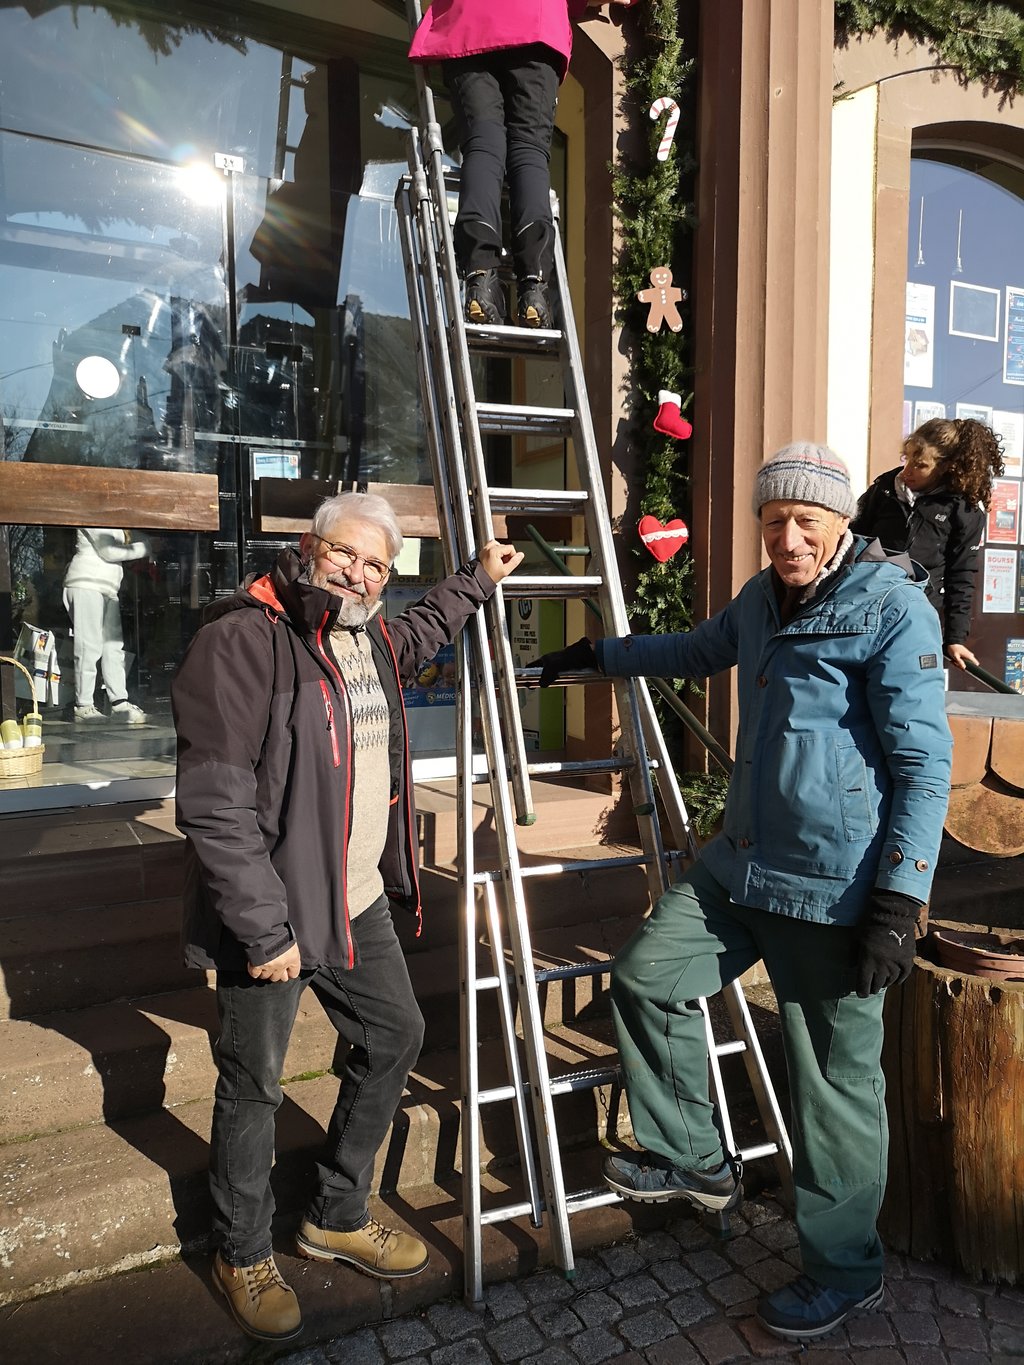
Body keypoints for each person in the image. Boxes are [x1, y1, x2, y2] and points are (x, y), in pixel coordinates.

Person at [532, 443, 953, 1344]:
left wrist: (900, 901)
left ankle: (846, 1270)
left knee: (832, 1089)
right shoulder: (763, 598)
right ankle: (697, 1158)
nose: (787, 538)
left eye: (805, 521)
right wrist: (599, 653)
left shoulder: (892, 608)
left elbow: (925, 767)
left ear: (841, 522)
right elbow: (695, 647)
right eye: (773, 522)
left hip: (837, 888)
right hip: (743, 864)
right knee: (646, 976)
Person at [172, 492, 523, 1344]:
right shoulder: (243, 639)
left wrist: (476, 579)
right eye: (345, 554)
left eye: (377, 565)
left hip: (355, 896)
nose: (359, 574)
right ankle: (241, 1250)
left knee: (395, 1033)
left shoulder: (367, 638)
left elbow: (422, 629)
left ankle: (334, 1211)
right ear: (309, 547)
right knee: (254, 1081)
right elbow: (215, 801)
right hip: (274, 909)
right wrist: (263, 928)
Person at [408, 0, 604, 329]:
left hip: (469, 23)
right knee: (529, 150)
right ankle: (534, 288)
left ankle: (480, 278)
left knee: (482, 144)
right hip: (535, 25)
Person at [851, 417, 1004, 671]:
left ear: (945, 467)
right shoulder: (885, 488)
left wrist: (955, 638)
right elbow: (851, 538)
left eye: (920, 465)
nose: (907, 470)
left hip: (914, 615)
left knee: (899, 681)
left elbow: (961, 575)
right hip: (865, 605)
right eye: (907, 458)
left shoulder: (963, 509)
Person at [63, 527, 149, 723]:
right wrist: (147, 547)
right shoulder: (94, 512)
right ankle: (83, 706)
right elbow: (108, 551)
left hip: (107, 587)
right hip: (86, 582)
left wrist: (147, 541)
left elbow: (132, 538)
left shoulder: (115, 519)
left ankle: (119, 703)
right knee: (88, 645)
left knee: (113, 647)